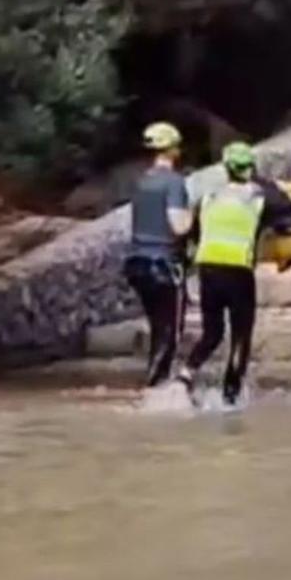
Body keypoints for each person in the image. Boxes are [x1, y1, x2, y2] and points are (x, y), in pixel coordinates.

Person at [177, 142, 291, 406]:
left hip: (208, 269)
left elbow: (193, 235)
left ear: (226, 168)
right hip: (238, 271)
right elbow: (290, 210)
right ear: (250, 168)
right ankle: (230, 397)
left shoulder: (210, 197)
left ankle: (185, 375)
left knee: (212, 332)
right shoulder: (258, 197)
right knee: (240, 336)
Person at [123, 121, 192, 387]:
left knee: (157, 326)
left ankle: (153, 378)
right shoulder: (174, 183)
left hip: (137, 264)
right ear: (173, 149)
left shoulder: (141, 182)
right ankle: (156, 387)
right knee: (170, 331)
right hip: (164, 265)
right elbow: (178, 225)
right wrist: (195, 216)